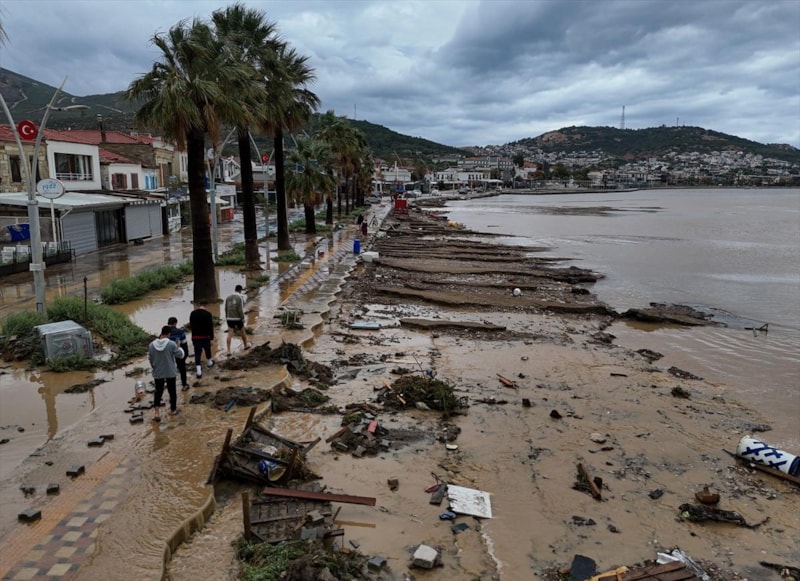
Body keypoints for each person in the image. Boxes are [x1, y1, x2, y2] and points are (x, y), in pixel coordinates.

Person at [148, 325, 184, 422]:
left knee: (158, 391)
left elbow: (150, 359)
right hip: (170, 371)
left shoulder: (151, 345)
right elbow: (180, 355)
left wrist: (154, 367)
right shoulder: (171, 344)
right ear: (169, 334)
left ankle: (156, 413)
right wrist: (179, 347)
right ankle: (173, 409)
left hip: (158, 372)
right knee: (172, 391)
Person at [189, 302, 215, 379]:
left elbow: (191, 325)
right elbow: (210, 327)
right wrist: (211, 338)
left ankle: (199, 371)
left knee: (197, 353)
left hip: (195, 336)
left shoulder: (193, 313)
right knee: (207, 349)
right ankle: (209, 362)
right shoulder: (208, 314)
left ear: (198, 305)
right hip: (205, 336)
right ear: (206, 306)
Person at [224, 284, 250, 355]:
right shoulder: (240, 297)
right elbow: (240, 309)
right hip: (238, 318)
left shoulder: (228, 297)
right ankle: (245, 345)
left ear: (235, 289)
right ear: (240, 290)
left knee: (230, 333)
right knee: (242, 332)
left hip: (229, 318)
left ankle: (228, 350)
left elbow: (226, 308)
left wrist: (227, 317)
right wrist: (243, 318)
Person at [167, 316, 189, 391]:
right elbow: (184, 344)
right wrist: (185, 355)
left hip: (168, 355)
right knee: (182, 369)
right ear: (175, 323)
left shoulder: (164, 332)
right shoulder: (180, 332)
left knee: (169, 371)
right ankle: (184, 385)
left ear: (168, 323)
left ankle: (170, 387)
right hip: (178, 353)